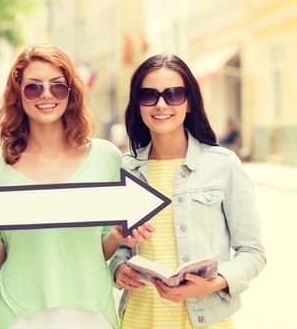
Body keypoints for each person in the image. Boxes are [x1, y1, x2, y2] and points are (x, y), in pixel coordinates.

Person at [0, 43, 154, 329]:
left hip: (92, 314)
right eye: (33, 88)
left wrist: (116, 236)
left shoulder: (105, 158)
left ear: (71, 93)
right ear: (18, 94)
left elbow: (100, 250)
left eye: (57, 86)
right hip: (19, 317)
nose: (46, 95)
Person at [110, 54, 266, 328]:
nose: (161, 104)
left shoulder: (222, 164)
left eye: (173, 94)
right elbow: (120, 247)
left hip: (204, 320)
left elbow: (252, 252)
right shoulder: (126, 170)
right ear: (138, 104)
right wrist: (119, 269)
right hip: (139, 318)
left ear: (190, 101)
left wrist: (210, 285)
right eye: (149, 95)